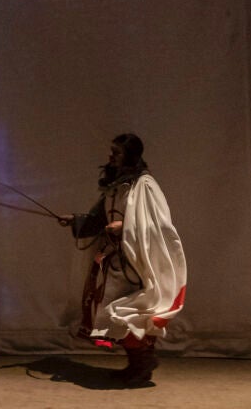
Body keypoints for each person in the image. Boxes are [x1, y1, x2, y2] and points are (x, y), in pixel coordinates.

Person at [57, 133, 187, 386]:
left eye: (116, 152)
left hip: (137, 261)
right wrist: (76, 220)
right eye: (112, 151)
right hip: (117, 262)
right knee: (115, 312)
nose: (111, 156)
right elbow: (99, 218)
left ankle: (142, 363)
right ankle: (138, 363)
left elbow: (158, 225)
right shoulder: (115, 186)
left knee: (131, 312)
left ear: (130, 155)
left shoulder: (145, 185)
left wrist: (125, 226)